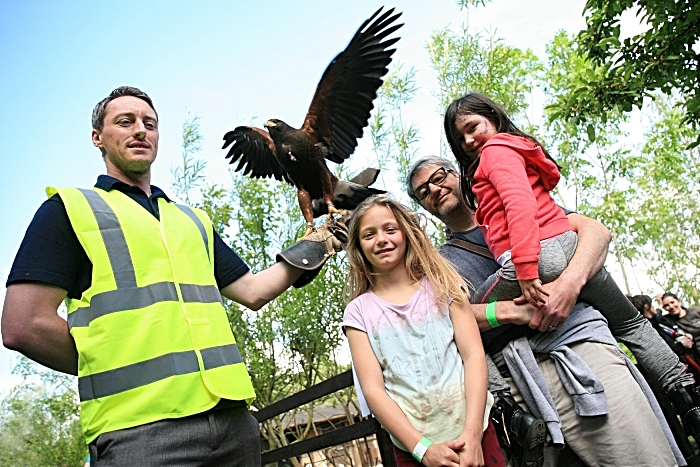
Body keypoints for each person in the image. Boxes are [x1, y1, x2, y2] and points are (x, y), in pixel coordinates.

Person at [1, 86, 345, 467]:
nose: (140, 131)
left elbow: (253, 291)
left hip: (233, 423)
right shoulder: (70, 210)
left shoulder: (192, 220)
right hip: (140, 434)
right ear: (97, 137)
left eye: (149, 123)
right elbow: (23, 325)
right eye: (125, 121)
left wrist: (314, 247)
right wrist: (103, 363)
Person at [441, 92, 700, 440]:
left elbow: (520, 206)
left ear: (493, 116)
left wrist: (527, 268)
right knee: (631, 323)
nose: (470, 141)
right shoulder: (519, 149)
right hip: (567, 243)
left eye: (472, 128)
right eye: (461, 139)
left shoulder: (494, 154)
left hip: (535, 258)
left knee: (458, 322)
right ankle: (686, 394)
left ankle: (508, 415)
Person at [407, 155, 685, 467]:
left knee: (639, 456)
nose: (434, 188)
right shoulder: (438, 265)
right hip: (515, 376)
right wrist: (511, 312)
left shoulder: (523, 211)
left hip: (580, 346)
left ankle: (683, 392)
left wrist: (567, 283)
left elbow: (594, 233)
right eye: (423, 191)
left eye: (440, 175)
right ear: (424, 205)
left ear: (460, 175)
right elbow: (441, 320)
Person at [343, 195, 505, 467]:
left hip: (476, 432)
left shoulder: (444, 285)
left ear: (407, 234)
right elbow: (373, 390)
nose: (381, 239)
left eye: (390, 229)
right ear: (358, 246)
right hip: (413, 449)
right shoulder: (358, 313)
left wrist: (473, 434)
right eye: (369, 234)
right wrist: (422, 449)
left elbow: (474, 356)